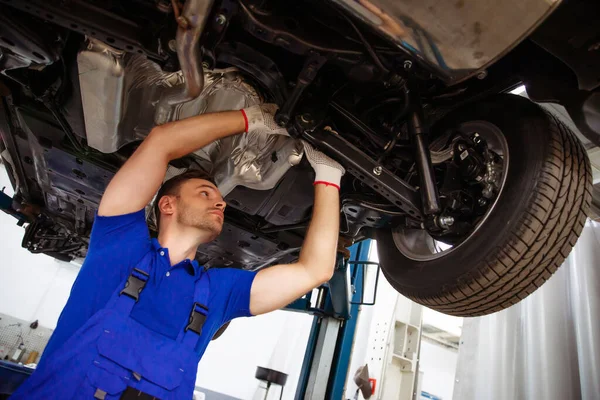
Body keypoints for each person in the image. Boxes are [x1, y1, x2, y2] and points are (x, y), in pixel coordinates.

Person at [10, 105, 345, 399]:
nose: (221, 201)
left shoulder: (219, 293)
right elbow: (161, 143)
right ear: (167, 204)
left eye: (217, 197)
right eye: (204, 193)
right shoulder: (119, 246)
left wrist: (329, 174)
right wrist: (253, 119)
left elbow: (314, 271)